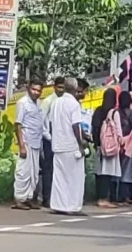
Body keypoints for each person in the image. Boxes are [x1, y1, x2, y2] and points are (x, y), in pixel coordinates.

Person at [48, 77, 87, 215]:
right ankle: (73, 207)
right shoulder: (74, 104)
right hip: (71, 146)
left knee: (59, 177)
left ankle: (58, 205)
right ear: (75, 88)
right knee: (75, 178)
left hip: (58, 144)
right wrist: (81, 144)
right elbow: (75, 125)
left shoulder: (55, 103)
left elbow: (52, 124)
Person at [13, 77, 44, 210]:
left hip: (36, 142)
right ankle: (19, 199)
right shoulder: (23, 103)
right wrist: (21, 146)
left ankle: (29, 198)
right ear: (28, 88)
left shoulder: (38, 104)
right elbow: (18, 125)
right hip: (26, 142)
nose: (36, 92)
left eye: (39, 90)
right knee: (23, 172)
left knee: (34, 173)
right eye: (34, 89)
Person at [91, 88, 121, 208]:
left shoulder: (98, 110)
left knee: (99, 173)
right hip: (110, 147)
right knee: (107, 174)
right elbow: (118, 131)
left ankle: (99, 197)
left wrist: (97, 143)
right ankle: (104, 199)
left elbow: (94, 128)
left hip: (99, 146)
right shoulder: (114, 113)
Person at [39, 76, 65, 208]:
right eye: (59, 87)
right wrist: (48, 136)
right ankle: (46, 198)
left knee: (59, 169)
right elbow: (42, 121)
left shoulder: (65, 101)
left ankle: (57, 198)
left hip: (61, 138)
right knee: (48, 169)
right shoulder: (49, 101)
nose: (61, 90)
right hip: (49, 138)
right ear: (54, 87)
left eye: (63, 87)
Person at [118, 91, 132, 204]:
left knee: (119, 171)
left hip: (118, 144)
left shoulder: (116, 112)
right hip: (130, 145)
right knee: (129, 172)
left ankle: (119, 195)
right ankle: (129, 195)